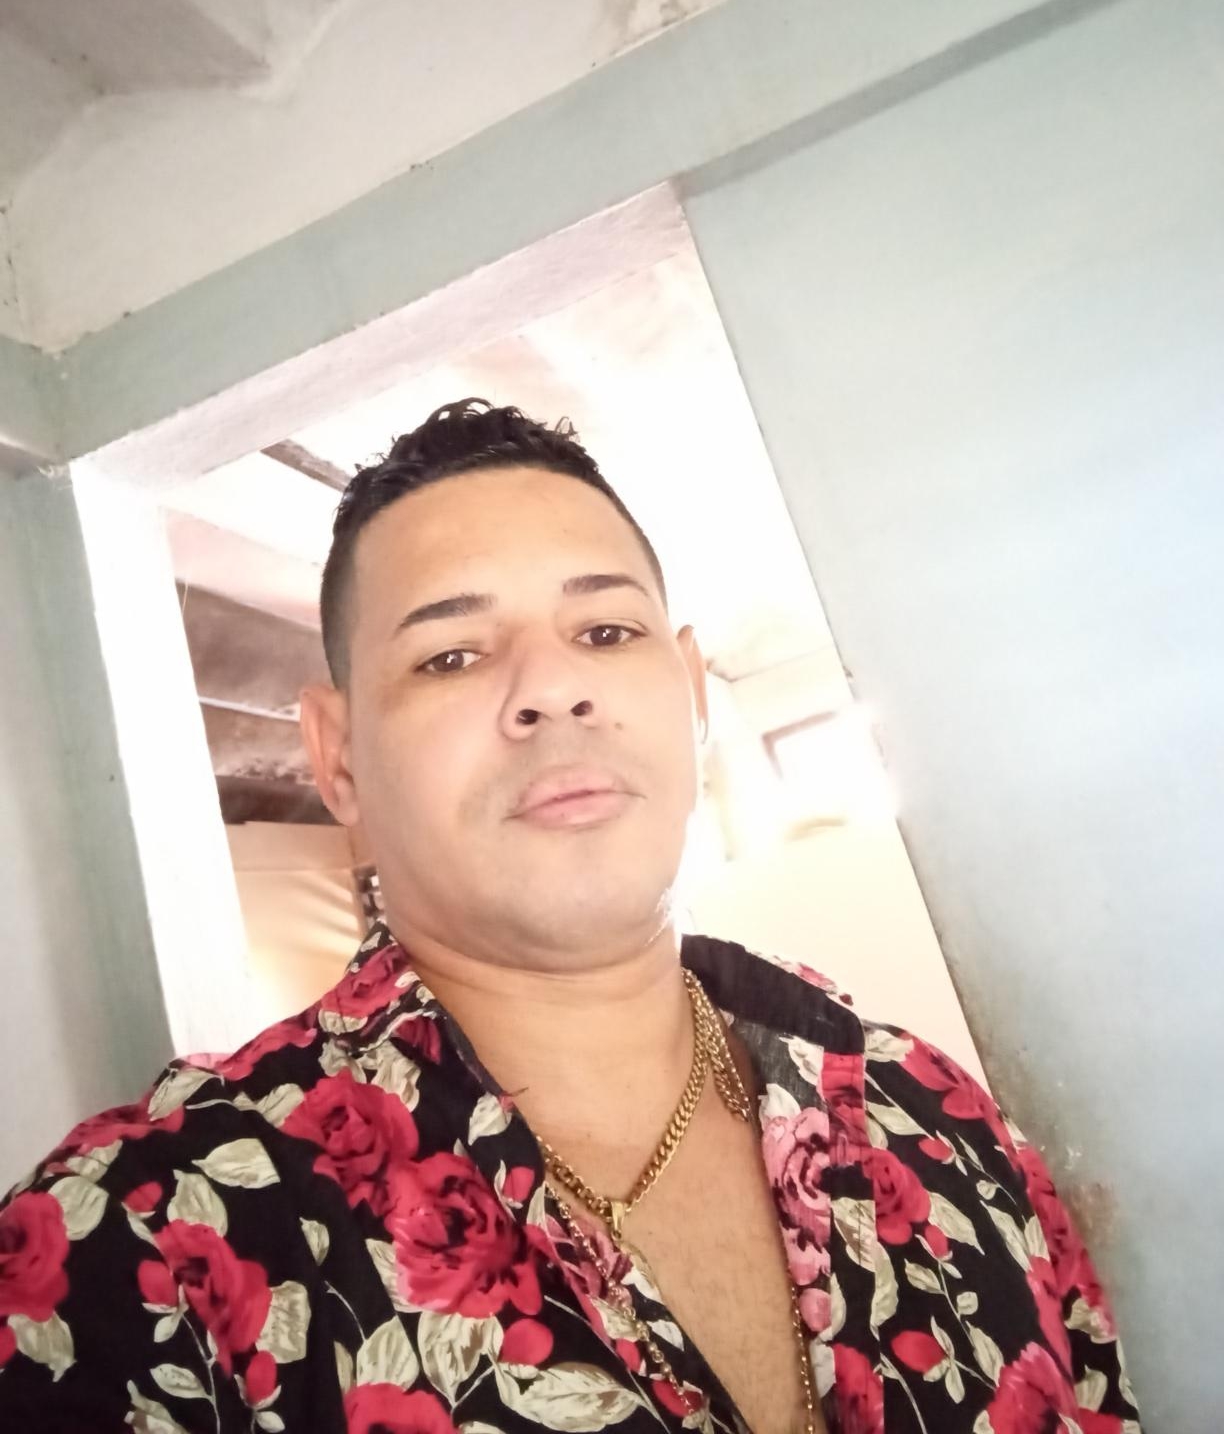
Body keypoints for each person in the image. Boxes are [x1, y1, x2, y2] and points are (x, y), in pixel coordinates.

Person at [0, 398, 1140, 1434]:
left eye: (605, 632)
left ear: (690, 695)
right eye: (451, 655)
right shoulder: (137, 1242)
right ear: (338, 757)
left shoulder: (932, 1111)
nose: (554, 687)